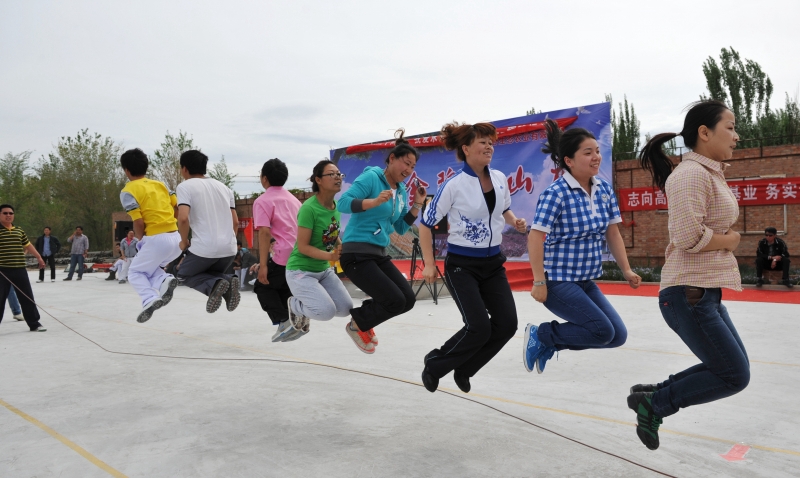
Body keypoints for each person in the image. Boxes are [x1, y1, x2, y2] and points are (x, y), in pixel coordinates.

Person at [630, 100, 749, 451]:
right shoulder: (690, 175)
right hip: (688, 295)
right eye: (730, 127)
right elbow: (687, 237)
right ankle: (656, 405)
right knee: (733, 375)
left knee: (730, 368)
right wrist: (731, 240)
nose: (736, 136)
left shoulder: (707, 172)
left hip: (703, 294)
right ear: (704, 132)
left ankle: (653, 396)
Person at [523, 119, 641, 375]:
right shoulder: (556, 193)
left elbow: (613, 232)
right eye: (588, 153)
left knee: (617, 336)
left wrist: (627, 270)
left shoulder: (604, 190)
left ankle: (548, 342)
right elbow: (535, 237)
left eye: (597, 151)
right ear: (569, 161)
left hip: (585, 280)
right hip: (557, 281)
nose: (596, 157)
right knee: (602, 330)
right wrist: (539, 281)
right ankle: (542, 334)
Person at [419, 122, 527, 393]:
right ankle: (435, 364)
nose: (489, 146)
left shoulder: (500, 178)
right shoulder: (453, 186)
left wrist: (516, 221)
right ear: (466, 149)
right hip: (462, 266)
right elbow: (425, 223)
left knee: (506, 324)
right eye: (482, 142)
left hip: (493, 263)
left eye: (491, 142)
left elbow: (504, 209)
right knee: (478, 326)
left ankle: (465, 369)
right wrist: (430, 264)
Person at [338, 129, 427, 352]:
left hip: (378, 254)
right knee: (395, 300)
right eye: (405, 163)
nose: (408, 170)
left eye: (413, 167)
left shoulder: (402, 192)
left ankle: (364, 321)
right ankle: (358, 323)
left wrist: (417, 204)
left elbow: (399, 227)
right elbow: (343, 203)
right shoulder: (371, 177)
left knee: (407, 300)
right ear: (392, 159)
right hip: (357, 254)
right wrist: (374, 201)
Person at [283, 160, 353, 342]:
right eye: (332, 174)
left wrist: (340, 244)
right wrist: (331, 256)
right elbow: (303, 247)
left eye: (339, 174)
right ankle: (296, 306)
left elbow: (331, 232)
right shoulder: (309, 209)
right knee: (325, 312)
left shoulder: (335, 207)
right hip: (300, 271)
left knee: (345, 308)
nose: (337, 177)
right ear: (318, 180)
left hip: (322, 270)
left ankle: (305, 305)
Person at [119, 148, 182, 323]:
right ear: (146, 167)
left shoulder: (128, 191)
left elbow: (138, 222)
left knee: (135, 272)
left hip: (155, 239)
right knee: (151, 268)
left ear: (126, 170)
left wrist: (142, 239)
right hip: (175, 239)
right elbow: (177, 208)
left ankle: (149, 298)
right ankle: (164, 280)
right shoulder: (160, 184)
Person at [175, 150, 240, 313]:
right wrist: (229, 241)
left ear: (184, 169)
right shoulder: (224, 188)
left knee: (184, 274)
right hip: (229, 249)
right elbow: (236, 222)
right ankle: (226, 280)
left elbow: (183, 218)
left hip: (204, 249)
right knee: (210, 274)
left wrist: (183, 241)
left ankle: (219, 283)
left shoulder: (185, 187)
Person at [250, 158, 302, 342]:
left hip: (283, 254)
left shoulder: (262, 201)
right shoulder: (294, 200)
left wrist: (263, 264)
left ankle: (284, 321)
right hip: (300, 253)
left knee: (262, 285)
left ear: (264, 179)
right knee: (282, 285)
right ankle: (294, 320)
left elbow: (264, 232)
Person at [0, 204, 47, 332]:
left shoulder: (19, 230)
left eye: (11, 213)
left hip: (20, 269)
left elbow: (28, 245)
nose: (8, 215)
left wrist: (39, 257)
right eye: (5, 213)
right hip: (2, 270)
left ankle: (34, 324)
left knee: (27, 297)